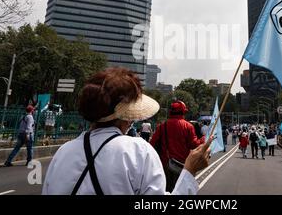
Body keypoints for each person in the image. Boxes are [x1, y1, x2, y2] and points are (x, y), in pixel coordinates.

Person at [42, 68, 211, 195]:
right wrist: (190, 170)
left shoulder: (62, 153)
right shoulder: (138, 151)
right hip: (177, 166)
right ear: (127, 115)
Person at [150, 100, 205, 192]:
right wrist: (204, 138)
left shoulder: (162, 126)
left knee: (166, 191)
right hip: (183, 167)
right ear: (183, 112)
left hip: (165, 166)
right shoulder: (188, 126)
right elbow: (194, 145)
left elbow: (152, 144)